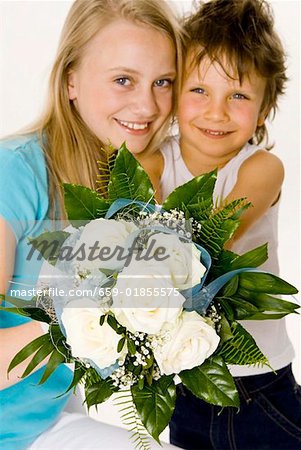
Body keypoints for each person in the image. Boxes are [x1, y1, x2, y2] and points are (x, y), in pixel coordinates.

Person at [0, 0, 183, 448]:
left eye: (164, 82)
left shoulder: (128, 180)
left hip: (44, 419)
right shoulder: (14, 173)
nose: (147, 105)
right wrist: (82, 318)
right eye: (123, 80)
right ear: (70, 81)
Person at [150, 0, 301, 448]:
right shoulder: (154, 161)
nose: (216, 112)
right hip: (185, 382)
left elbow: (214, 234)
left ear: (265, 107)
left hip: (258, 384)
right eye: (199, 91)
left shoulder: (260, 168)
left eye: (238, 95)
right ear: (173, 93)